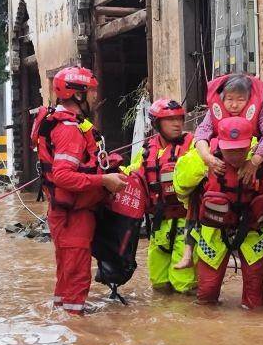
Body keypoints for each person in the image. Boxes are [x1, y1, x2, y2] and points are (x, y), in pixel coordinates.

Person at [31, 66, 128, 314]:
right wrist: (104, 181)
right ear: (78, 95)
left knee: (67, 275)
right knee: (75, 276)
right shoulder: (69, 130)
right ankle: (76, 333)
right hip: (72, 215)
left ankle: (64, 323)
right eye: (92, 92)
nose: (96, 97)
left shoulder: (70, 124)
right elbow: (64, 175)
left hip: (69, 211)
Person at [174, 116, 263, 310]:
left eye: (240, 150)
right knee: (206, 294)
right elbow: (181, 188)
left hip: (254, 232)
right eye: (230, 150)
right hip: (214, 230)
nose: (235, 155)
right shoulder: (199, 158)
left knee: (255, 297)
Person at [177, 73, 263, 269]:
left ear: (249, 99)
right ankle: (188, 250)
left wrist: (255, 162)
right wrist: (208, 158)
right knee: (194, 190)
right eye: (230, 99)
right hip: (217, 165)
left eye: (240, 100)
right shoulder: (214, 111)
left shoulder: (260, 111)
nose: (234, 105)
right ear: (222, 98)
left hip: (251, 165)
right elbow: (201, 133)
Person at [122, 98, 196, 294]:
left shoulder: (194, 145)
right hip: (159, 223)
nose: (177, 124)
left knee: (183, 283)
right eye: (170, 120)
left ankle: (184, 321)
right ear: (157, 124)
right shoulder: (147, 151)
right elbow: (133, 174)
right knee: (159, 282)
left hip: (187, 220)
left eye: (180, 119)